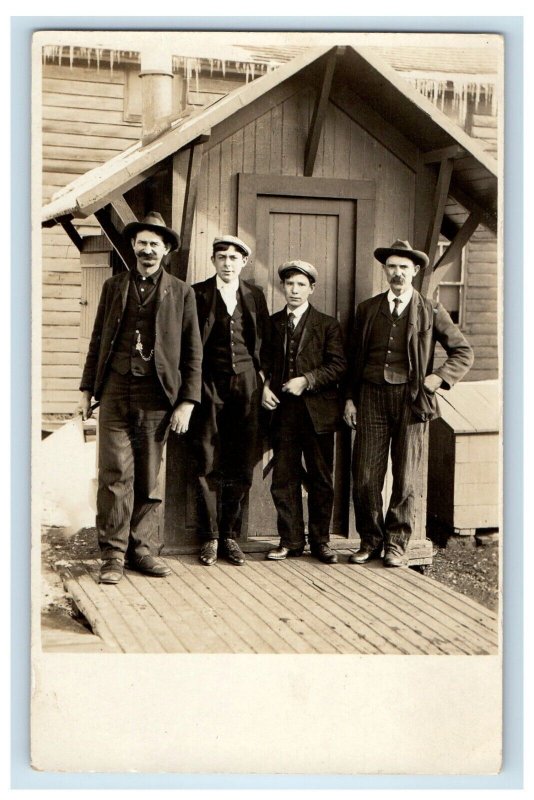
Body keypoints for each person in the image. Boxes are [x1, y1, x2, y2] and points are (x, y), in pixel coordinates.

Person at [78, 212, 202, 584]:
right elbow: (98, 339)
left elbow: (193, 352)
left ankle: (140, 550)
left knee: (148, 477)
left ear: (165, 250)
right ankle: (112, 555)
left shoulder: (182, 292)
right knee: (115, 473)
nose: (148, 250)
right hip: (115, 390)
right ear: (133, 246)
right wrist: (87, 390)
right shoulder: (113, 287)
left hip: (157, 396)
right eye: (142, 242)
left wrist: (187, 402)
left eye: (155, 244)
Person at [344, 239, 474, 567]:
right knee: (364, 476)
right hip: (370, 398)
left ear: (415, 271)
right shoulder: (368, 309)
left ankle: (397, 543)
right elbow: (353, 360)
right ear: (385, 271)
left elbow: (463, 351)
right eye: (392, 267)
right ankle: (370, 540)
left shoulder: (429, 309)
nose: (397, 273)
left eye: (404, 267)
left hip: (411, 400)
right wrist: (350, 398)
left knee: (405, 477)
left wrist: (437, 378)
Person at [191, 235, 270, 566]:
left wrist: (264, 383)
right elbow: (189, 342)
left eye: (233, 258)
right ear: (213, 261)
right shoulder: (197, 294)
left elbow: (264, 342)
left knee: (241, 459)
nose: (227, 262)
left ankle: (229, 535)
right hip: (209, 383)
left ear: (243, 263)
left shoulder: (254, 295)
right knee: (206, 458)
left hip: (247, 386)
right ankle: (209, 536)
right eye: (221, 257)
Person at [262, 260, 347, 564]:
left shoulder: (327, 325)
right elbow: (262, 364)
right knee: (283, 477)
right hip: (282, 414)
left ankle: (321, 541)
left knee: (320, 479)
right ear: (283, 287)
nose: (294, 290)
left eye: (301, 285)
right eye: (289, 284)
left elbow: (338, 366)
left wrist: (307, 380)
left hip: (317, 414)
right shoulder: (271, 324)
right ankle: (290, 540)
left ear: (312, 289)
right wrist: (264, 388)